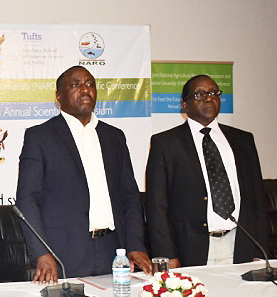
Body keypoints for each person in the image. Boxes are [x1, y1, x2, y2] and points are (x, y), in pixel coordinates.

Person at [16, 65, 151, 284]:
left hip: (114, 251)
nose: (85, 89)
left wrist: (135, 244)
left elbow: (130, 196)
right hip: (62, 253)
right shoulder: (40, 137)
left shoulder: (114, 137)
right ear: (59, 96)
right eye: (75, 84)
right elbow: (27, 200)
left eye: (90, 84)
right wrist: (42, 252)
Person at [146, 74, 267, 267]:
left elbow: (258, 199)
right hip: (190, 249)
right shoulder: (166, 144)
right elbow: (157, 206)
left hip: (240, 244)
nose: (209, 98)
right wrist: (167, 255)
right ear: (184, 105)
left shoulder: (243, 140)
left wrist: (261, 251)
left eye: (213, 93)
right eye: (199, 94)